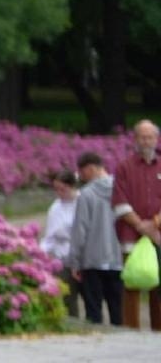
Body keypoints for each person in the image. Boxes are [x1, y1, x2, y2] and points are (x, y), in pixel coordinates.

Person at [112, 119, 161, 330]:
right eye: (142, 137)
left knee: (158, 284)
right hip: (131, 234)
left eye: (150, 137)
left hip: (159, 235)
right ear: (135, 139)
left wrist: (156, 224)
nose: (146, 141)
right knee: (131, 283)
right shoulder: (124, 167)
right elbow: (119, 201)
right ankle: (130, 331)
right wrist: (141, 225)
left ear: (157, 140)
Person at [69, 152, 124, 325]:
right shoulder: (122, 188)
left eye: (83, 173)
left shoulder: (86, 194)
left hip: (92, 259)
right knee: (118, 309)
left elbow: (80, 229)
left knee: (93, 312)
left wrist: (75, 261)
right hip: (118, 257)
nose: (82, 177)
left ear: (91, 169)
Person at [40, 172, 79, 319]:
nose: (59, 193)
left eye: (62, 189)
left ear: (71, 187)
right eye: (56, 189)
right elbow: (49, 237)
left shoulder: (82, 202)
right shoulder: (55, 208)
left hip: (81, 255)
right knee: (67, 298)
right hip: (62, 257)